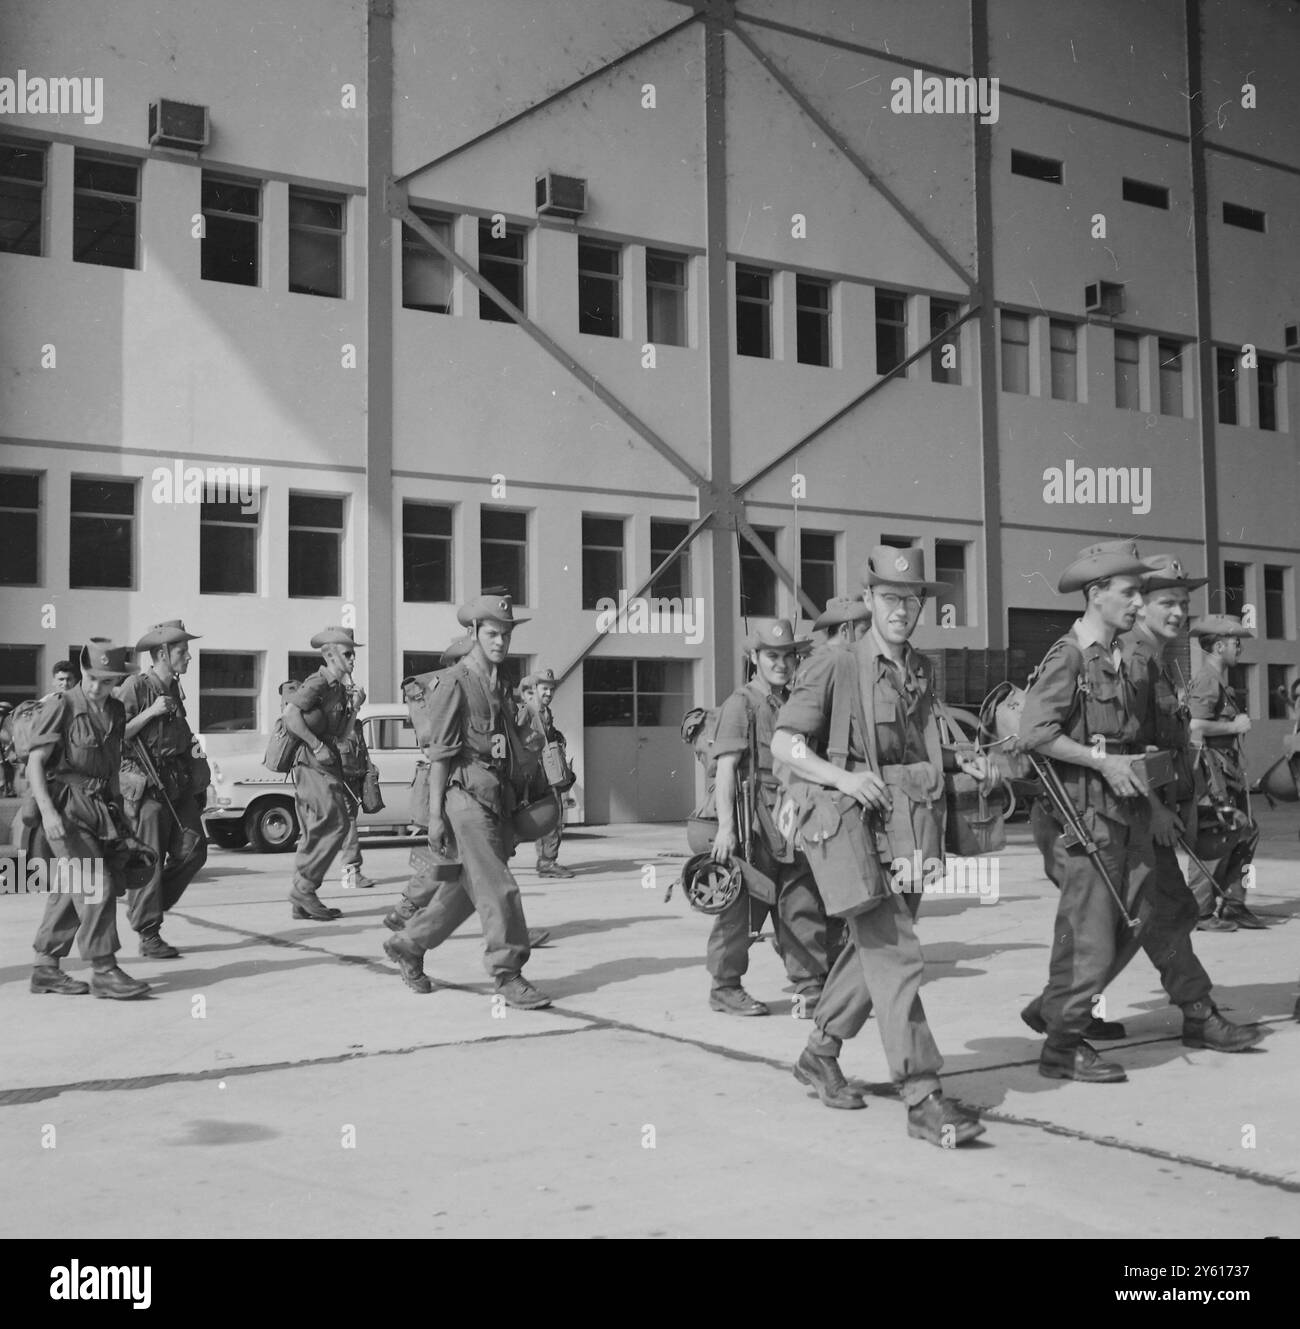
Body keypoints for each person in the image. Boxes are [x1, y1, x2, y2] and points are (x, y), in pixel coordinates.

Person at [771, 546, 991, 1146]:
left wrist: (962, 770)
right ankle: (922, 1095)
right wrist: (842, 777)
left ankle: (820, 1053)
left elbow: (915, 751)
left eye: (911, 599)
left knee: (870, 955)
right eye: (890, 598)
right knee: (896, 954)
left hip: (908, 826)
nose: (901, 609)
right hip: (850, 827)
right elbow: (784, 744)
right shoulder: (835, 664)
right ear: (868, 600)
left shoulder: (919, 667)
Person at [1020, 553, 1265, 1053]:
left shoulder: (1149, 658)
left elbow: (1152, 747)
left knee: (1143, 917)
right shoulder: (1122, 656)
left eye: (1183, 603)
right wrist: (1154, 809)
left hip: (1139, 810)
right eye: (1163, 602)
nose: (1177, 613)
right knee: (1146, 914)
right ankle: (1189, 1012)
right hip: (1108, 812)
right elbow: (1121, 749)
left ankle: (1062, 1009)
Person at [1016, 540, 1163, 1084]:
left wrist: (1134, 756)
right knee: (1090, 934)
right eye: (1129, 593)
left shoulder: (1118, 657)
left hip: (1126, 815)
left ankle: (1055, 1007)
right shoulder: (1069, 657)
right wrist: (1102, 761)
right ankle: (1062, 1045)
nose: (1137, 604)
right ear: (1096, 594)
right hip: (1084, 821)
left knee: (1138, 917)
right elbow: (1034, 734)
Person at [382, 593, 552, 1008]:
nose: (500, 642)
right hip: (464, 797)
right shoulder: (455, 682)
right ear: (474, 632)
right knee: (498, 887)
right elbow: (440, 756)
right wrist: (436, 816)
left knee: (463, 892)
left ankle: (409, 944)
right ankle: (508, 971)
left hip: (495, 797)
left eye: (506, 634)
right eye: (493, 633)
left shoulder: (501, 684)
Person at [705, 619, 839, 1018]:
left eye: (787, 656)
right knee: (743, 909)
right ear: (754, 657)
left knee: (801, 904)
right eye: (771, 656)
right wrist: (727, 829)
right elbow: (726, 768)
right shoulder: (740, 704)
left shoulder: (796, 703)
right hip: (754, 825)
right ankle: (725, 987)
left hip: (792, 820)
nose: (781, 664)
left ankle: (810, 989)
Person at [25, 640, 150, 999]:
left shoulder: (115, 710)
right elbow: (36, 763)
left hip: (101, 808)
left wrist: (122, 815)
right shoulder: (62, 707)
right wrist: (48, 813)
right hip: (66, 808)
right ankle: (104, 968)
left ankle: (45, 968)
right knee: (97, 884)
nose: (97, 687)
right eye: (92, 678)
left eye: (106, 681)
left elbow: (110, 766)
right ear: (83, 671)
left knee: (71, 887)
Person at [116, 620, 209, 959]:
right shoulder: (136, 688)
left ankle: (147, 906)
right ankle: (148, 932)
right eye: (183, 651)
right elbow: (112, 734)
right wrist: (151, 712)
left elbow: (184, 739)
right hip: (145, 783)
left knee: (195, 849)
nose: (188, 657)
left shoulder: (175, 690)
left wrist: (200, 775)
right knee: (150, 860)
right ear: (162, 654)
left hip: (175, 783)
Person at [1187, 614, 1265, 930]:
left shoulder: (1218, 680)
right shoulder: (1207, 679)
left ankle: (1234, 904)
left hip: (1226, 771)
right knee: (1217, 835)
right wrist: (1233, 725)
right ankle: (1201, 912)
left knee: (1246, 830)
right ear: (1219, 646)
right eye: (1236, 643)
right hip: (1212, 774)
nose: (1239, 649)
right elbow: (1194, 725)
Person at [281, 628, 364, 921]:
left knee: (318, 828)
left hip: (328, 762)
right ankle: (304, 889)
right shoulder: (318, 682)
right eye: (347, 653)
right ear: (330, 655)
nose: (353, 659)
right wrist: (316, 746)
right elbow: (291, 716)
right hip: (311, 763)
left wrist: (354, 709)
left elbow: (341, 734)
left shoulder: (339, 689)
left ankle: (301, 898)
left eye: (354, 653)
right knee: (337, 823)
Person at [517, 667, 574, 878]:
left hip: (547, 773)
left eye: (551, 689)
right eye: (544, 689)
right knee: (551, 815)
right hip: (535, 774)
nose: (549, 693)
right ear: (533, 688)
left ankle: (547, 860)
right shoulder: (527, 711)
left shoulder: (545, 712)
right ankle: (547, 861)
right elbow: (516, 737)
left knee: (550, 816)